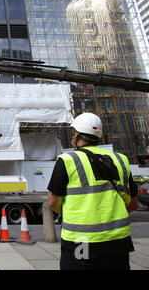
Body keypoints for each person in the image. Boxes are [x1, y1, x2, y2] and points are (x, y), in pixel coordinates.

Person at [47, 112, 138, 270]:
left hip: (81, 240)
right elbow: (132, 204)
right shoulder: (121, 159)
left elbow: (54, 202)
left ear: (77, 135)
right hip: (117, 241)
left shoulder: (68, 160)